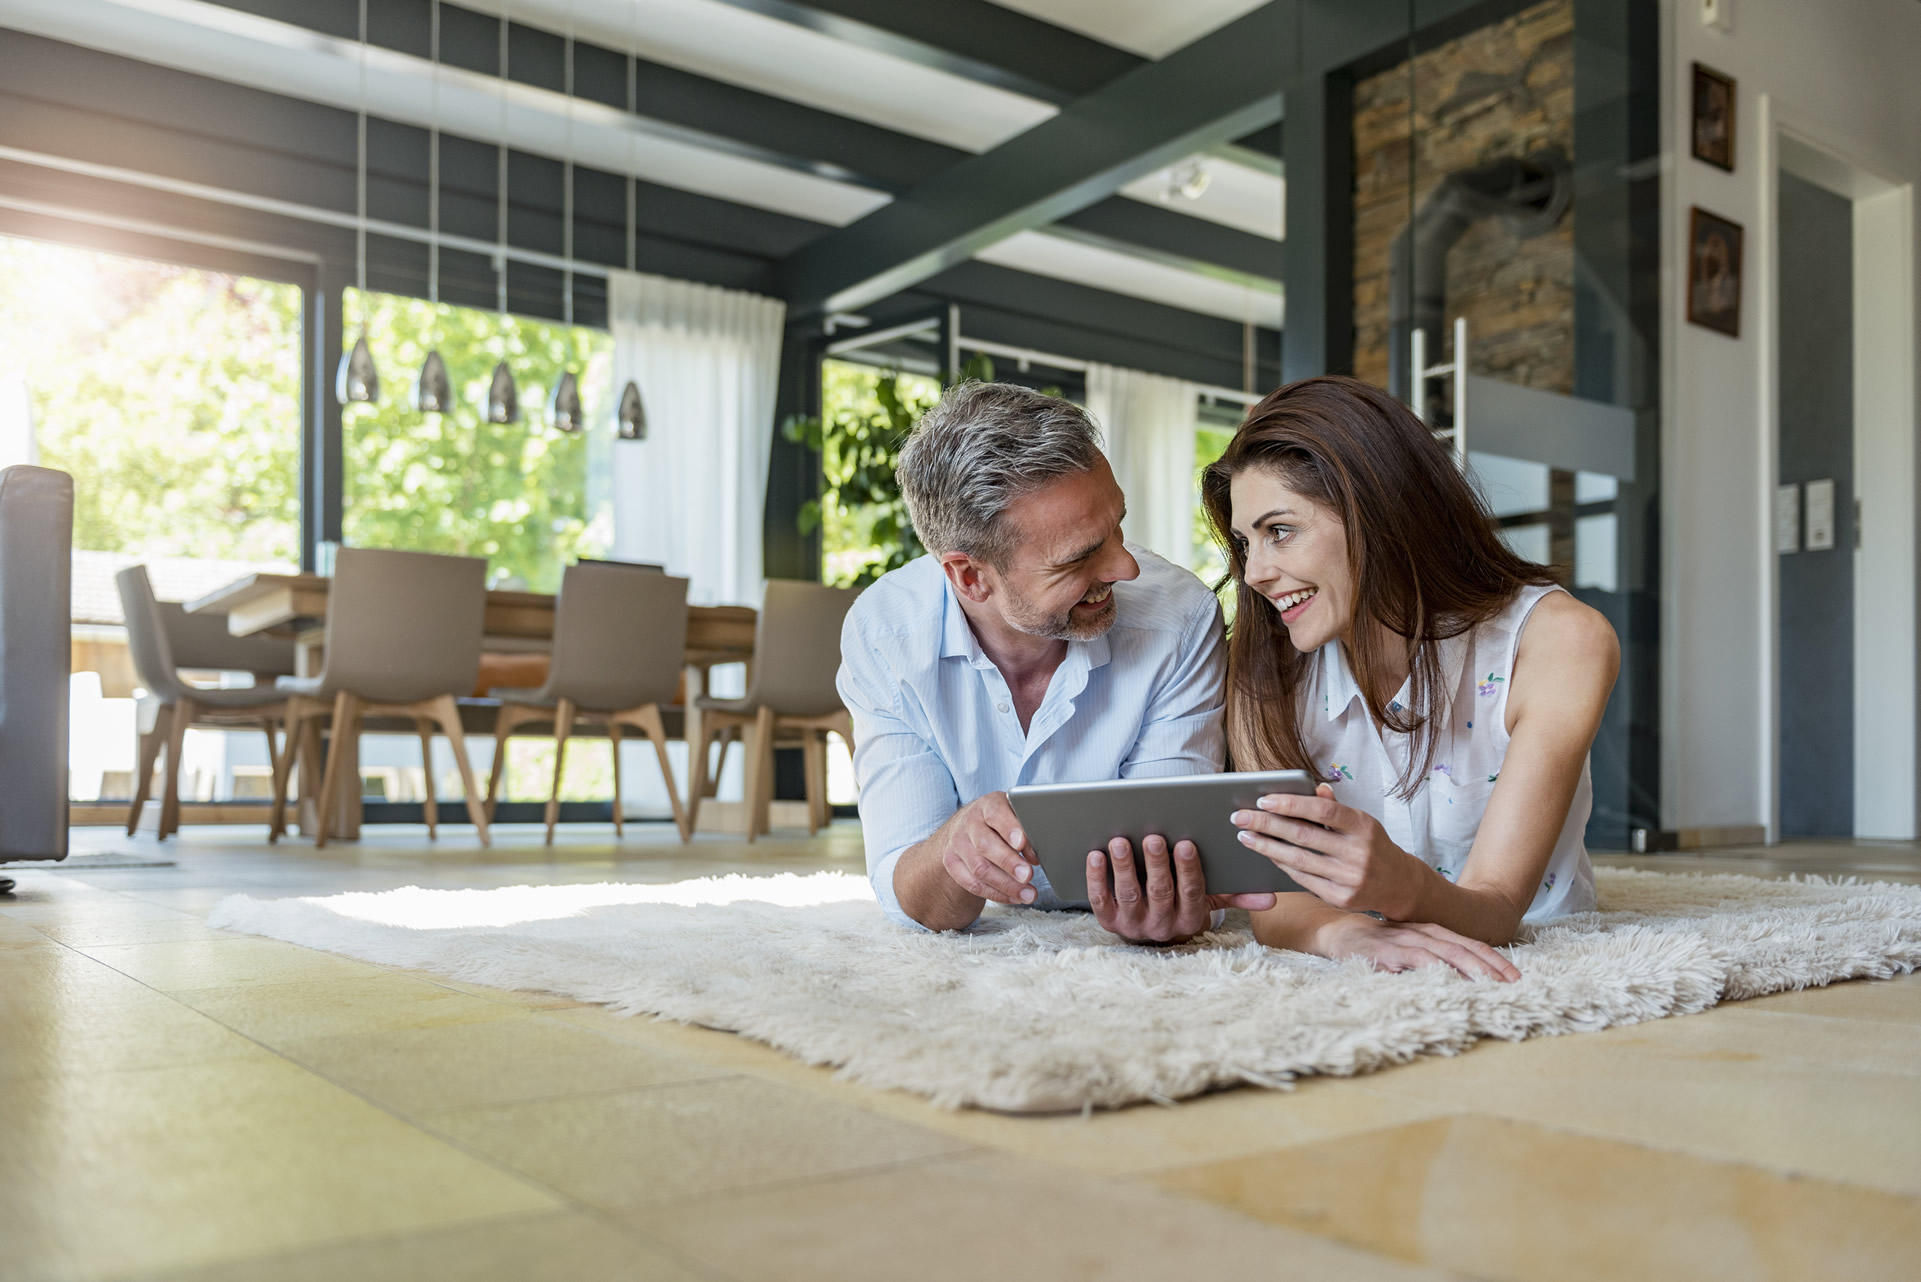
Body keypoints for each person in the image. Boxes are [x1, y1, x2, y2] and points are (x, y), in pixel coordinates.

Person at [1207, 376, 1619, 981]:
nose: (1257, 573)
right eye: (1245, 544)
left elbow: (1500, 908)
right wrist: (1351, 934)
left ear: (1377, 511)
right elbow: (1279, 898)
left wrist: (1399, 885)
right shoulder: (1263, 668)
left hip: (1540, 954)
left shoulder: (1558, 641)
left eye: (1281, 531)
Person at [837, 380, 1277, 942]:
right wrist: (953, 848)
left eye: (1117, 526)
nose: (1126, 568)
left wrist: (1167, 907)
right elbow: (913, 895)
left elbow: (1180, 861)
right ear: (970, 577)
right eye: (1080, 557)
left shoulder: (1178, 617)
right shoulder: (885, 635)